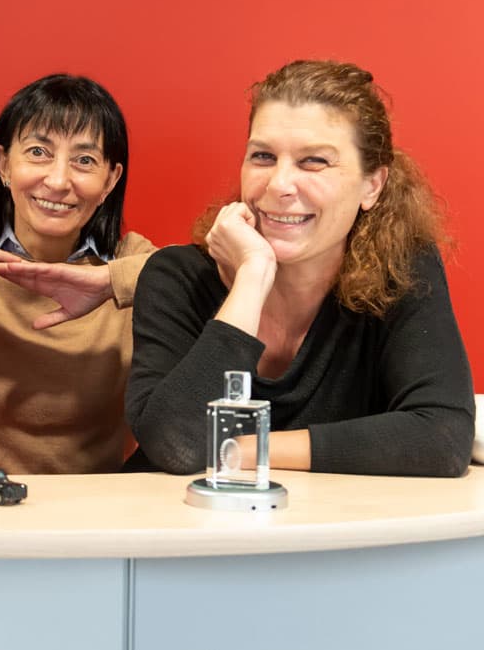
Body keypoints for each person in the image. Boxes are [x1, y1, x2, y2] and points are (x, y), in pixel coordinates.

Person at [126, 60, 474, 477]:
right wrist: (252, 277)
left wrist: (238, 449)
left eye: (313, 162)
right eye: (263, 156)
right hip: (182, 533)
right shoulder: (176, 278)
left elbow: (442, 437)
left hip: (328, 536)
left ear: (372, 186)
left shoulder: (402, 271)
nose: (278, 185)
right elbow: (177, 444)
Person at [0, 74, 154, 474]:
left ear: (110, 180)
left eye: (84, 161)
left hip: (100, 515)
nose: (59, 181)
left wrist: (107, 281)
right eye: (39, 152)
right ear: (3, 165)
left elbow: (203, 268)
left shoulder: (132, 263)